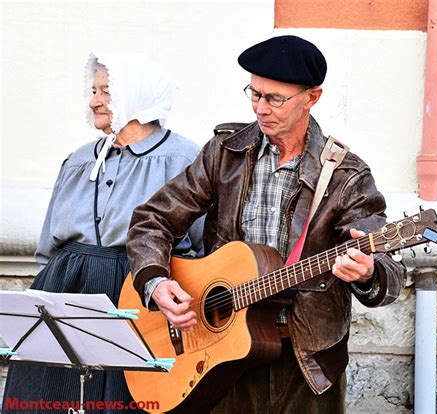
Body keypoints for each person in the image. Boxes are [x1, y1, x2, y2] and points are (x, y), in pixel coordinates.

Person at [127, 35, 406, 413]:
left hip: (304, 360)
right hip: (220, 353)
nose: (260, 108)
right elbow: (153, 218)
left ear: (312, 97)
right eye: (254, 94)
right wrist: (156, 283)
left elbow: (390, 270)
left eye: (274, 98)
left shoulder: (346, 175)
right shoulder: (225, 152)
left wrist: (369, 272)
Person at [2, 52, 203, 413]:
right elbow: (49, 247)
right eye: (93, 90)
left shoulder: (184, 159)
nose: (94, 100)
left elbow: (203, 250)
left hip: (139, 299)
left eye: (106, 91)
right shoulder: (78, 160)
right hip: (65, 292)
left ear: (137, 94)